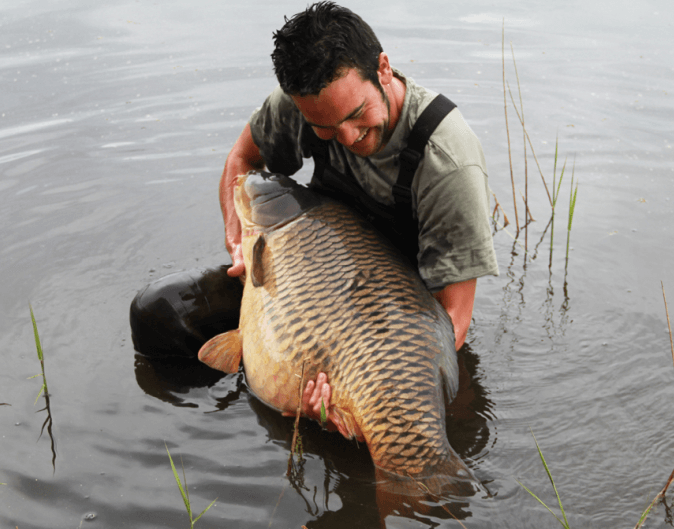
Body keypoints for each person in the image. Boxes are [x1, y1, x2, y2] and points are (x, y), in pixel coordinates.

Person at [131, 1, 498, 430]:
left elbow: (452, 320)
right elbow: (241, 160)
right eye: (325, 127)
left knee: (409, 420)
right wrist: (239, 244)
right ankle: (210, 420)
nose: (348, 136)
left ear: (382, 69)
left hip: (393, 315)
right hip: (305, 283)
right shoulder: (302, 104)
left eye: (357, 115)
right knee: (159, 312)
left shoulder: (447, 159)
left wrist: (371, 395)